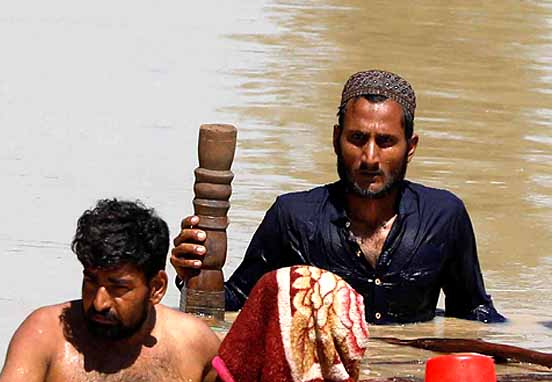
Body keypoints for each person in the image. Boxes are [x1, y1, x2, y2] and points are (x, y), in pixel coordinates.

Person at [170, 69, 506, 325]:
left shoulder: (443, 217)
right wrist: (190, 276)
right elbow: (233, 304)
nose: (370, 157)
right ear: (336, 139)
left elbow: (473, 316)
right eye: (357, 138)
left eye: (386, 142)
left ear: (411, 147)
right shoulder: (293, 218)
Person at [0, 199, 224, 382]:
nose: (99, 303)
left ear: (157, 288)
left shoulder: (194, 344)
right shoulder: (44, 334)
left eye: (118, 288)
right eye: (91, 281)